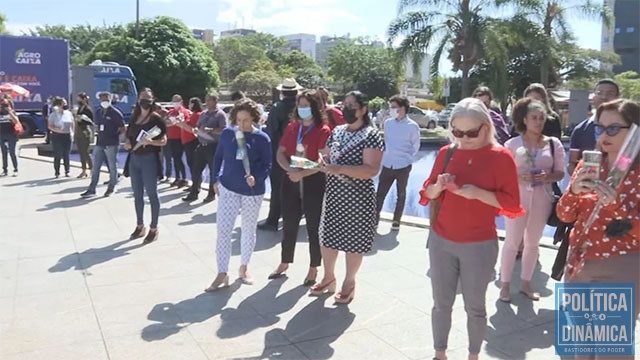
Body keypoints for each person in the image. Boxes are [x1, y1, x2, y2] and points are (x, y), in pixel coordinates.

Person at [419, 98, 523, 360]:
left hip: (479, 244)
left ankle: (473, 355)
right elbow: (428, 192)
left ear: (486, 127)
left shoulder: (500, 157)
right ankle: (439, 353)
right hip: (442, 239)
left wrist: (477, 193)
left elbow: (512, 203)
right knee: (441, 304)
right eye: (456, 131)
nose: (463, 138)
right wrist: (439, 186)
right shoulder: (447, 153)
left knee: (475, 307)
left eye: (471, 133)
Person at [557, 99, 639, 360]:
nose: (603, 135)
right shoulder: (588, 165)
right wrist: (572, 192)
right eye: (598, 128)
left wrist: (616, 207)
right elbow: (564, 214)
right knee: (582, 350)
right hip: (578, 265)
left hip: (619, 266)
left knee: (610, 351)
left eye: (613, 129)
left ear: (635, 130)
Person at [311, 91, 385, 304]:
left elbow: (371, 169)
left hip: (357, 198)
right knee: (328, 237)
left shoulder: (372, 135)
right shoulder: (338, 131)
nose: (347, 108)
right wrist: (323, 161)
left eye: (353, 105)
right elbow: (327, 153)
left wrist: (339, 168)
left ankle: (349, 282)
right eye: (346, 104)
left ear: (363, 110)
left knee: (353, 241)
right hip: (334, 194)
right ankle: (328, 277)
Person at [499, 98, 565, 302]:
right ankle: (505, 285)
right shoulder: (512, 144)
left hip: (542, 199)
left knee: (532, 243)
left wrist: (547, 176)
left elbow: (560, 173)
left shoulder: (554, 144)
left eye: (541, 118)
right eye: (534, 118)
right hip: (516, 198)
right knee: (512, 242)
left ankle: (526, 283)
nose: (538, 121)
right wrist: (517, 177)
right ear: (525, 120)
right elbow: (501, 174)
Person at [205, 99, 272, 291]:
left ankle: (244, 267)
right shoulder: (227, 134)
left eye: (246, 120)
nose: (241, 124)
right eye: (239, 119)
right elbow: (218, 158)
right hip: (228, 187)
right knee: (223, 230)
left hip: (252, 191)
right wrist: (216, 179)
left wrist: (257, 178)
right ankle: (222, 272)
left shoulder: (261, 138)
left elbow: (267, 164)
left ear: (254, 119)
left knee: (248, 229)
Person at [268, 89, 332, 285]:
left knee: (313, 225)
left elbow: (324, 161)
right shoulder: (292, 127)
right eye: (300, 105)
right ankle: (285, 261)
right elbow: (281, 152)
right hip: (291, 178)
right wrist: (289, 170)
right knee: (289, 223)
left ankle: (314, 267)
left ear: (315, 107)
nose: (303, 109)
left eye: (307, 105)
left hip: (313, 181)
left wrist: (302, 173)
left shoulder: (323, 130)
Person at [124, 89, 167, 244]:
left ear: (152, 100)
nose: (145, 101)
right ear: (138, 99)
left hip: (149, 159)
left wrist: (151, 142)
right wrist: (128, 143)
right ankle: (140, 225)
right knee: (137, 194)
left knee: (152, 194)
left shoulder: (156, 119)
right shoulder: (135, 117)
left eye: (148, 98)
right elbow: (128, 136)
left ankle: (154, 228)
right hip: (135, 159)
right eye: (143, 98)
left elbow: (164, 141)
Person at [258, 78, 301, 231]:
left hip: (280, 152)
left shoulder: (277, 107)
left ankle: (273, 220)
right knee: (296, 184)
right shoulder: (301, 106)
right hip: (299, 152)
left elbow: (271, 132)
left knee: (277, 186)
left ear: (282, 92)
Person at [375, 95, 420, 231]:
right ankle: (374, 220)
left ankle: (396, 221)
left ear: (403, 108)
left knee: (401, 194)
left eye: (394, 107)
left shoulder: (412, 126)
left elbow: (415, 146)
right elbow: (387, 141)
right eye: (391, 107)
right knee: (380, 193)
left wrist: (407, 158)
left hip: (403, 165)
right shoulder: (388, 123)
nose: (392, 110)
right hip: (388, 163)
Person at [568, 79, 619, 175]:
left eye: (610, 93)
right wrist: (579, 178)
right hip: (588, 185)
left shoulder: (627, 128)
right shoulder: (580, 129)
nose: (604, 97)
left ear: (618, 97)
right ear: (593, 97)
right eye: (600, 93)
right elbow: (572, 163)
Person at [183, 93, 227, 203]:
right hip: (201, 145)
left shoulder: (220, 115)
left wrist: (211, 130)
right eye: (206, 101)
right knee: (196, 170)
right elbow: (197, 127)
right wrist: (197, 129)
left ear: (215, 101)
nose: (207, 103)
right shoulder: (203, 114)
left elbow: (224, 130)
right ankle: (194, 192)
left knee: (213, 171)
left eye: (209, 101)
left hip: (213, 146)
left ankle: (211, 194)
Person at [81, 92, 124, 198]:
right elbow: (98, 125)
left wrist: (115, 136)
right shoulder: (98, 112)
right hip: (100, 142)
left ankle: (111, 188)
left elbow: (122, 128)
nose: (104, 102)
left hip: (112, 144)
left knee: (112, 167)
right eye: (102, 100)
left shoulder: (115, 113)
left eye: (106, 100)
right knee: (96, 167)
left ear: (110, 100)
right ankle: (92, 189)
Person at [166, 94, 189, 188]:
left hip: (179, 137)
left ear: (181, 101)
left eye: (177, 101)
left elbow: (182, 121)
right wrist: (172, 122)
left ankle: (184, 178)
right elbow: (166, 122)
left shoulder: (183, 111)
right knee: (175, 158)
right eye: (173, 101)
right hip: (171, 137)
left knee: (178, 158)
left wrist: (173, 122)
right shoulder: (171, 112)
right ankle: (177, 177)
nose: (175, 103)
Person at [180, 97, 202, 193]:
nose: (188, 105)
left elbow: (194, 129)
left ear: (193, 104)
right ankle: (195, 184)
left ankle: (196, 186)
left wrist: (183, 125)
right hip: (188, 143)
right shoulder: (192, 114)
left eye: (190, 103)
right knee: (191, 165)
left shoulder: (197, 115)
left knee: (194, 165)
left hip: (193, 142)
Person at [48, 97, 74, 178]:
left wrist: (72, 132)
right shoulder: (53, 114)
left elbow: (73, 123)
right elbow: (50, 126)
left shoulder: (68, 113)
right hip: (57, 136)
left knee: (66, 154)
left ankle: (67, 171)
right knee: (57, 155)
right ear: (59, 105)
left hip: (67, 135)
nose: (65, 105)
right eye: (64, 103)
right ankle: (57, 172)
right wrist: (58, 130)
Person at [74, 93, 94, 179]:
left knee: (86, 152)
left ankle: (92, 169)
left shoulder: (88, 109)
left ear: (84, 99)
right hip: (79, 131)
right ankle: (83, 170)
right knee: (81, 152)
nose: (78, 101)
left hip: (85, 131)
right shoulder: (79, 108)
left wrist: (82, 119)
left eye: (80, 99)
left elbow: (91, 121)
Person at [0, 95, 20, 177]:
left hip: (11, 135)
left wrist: (10, 112)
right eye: (2, 105)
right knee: (4, 153)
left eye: (6, 105)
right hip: (1, 135)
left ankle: (15, 169)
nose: (4, 106)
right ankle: (5, 170)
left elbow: (16, 121)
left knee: (12, 152)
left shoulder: (12, 112)